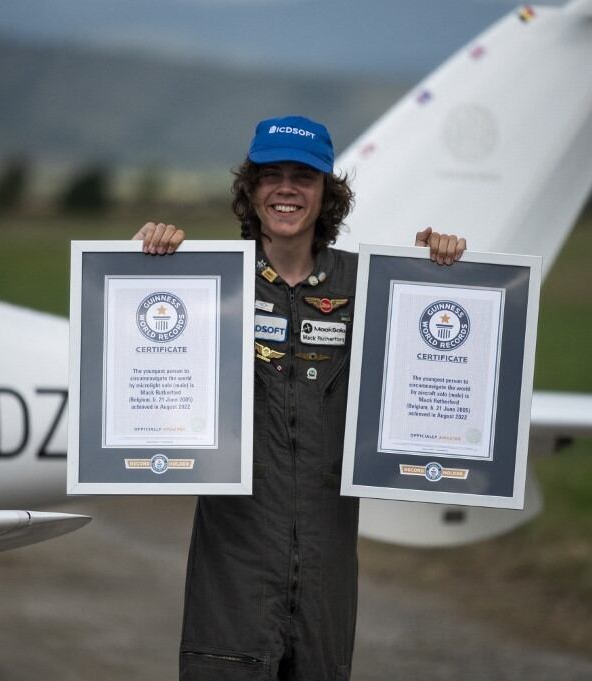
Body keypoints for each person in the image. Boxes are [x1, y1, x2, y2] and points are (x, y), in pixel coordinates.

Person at [134, 115, 466, 680]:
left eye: (303, 177)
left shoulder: (370, 288)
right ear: (251, 189)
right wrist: (146, 261)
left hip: (326, 568)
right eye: (271, 175)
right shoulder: (207, 284)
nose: (286, 188)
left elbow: (437, 350)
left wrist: (440, 272)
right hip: (233, 564)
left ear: (326, 193)